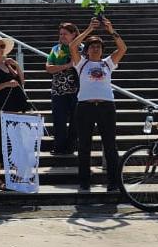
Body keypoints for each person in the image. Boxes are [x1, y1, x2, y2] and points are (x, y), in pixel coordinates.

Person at [70, 18, 127, 192]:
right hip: (85, 107)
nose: (96, 48)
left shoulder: (108, 63)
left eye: (99, 46)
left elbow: (123, 48)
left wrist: (111, 30)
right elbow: (72, 46)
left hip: (106, 107)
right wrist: (88, 30)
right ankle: (85, 181)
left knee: (110, 145)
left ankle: (113, 182)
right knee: (84, 145)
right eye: (92, 46)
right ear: (87, 50)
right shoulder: (81, 63)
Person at [0, 34, 30, 191]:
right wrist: (6, 84)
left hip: (14, 109)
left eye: (2, 46)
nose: (0, 49)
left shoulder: (8, 64)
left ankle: (15, 176)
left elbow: (22, 82)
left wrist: (16, 65)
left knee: (14, 144)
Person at [46, 22, 80, 156]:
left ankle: (71, 146)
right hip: (58, 90)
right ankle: (59, 146)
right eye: (60, 34)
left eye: (65, 34)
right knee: (58, 119)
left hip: (77, 91)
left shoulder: (81, 49)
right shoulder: (56, 49)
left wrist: (59, 68)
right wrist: (67, 65)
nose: (62, 36)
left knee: (75, 121)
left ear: (74, 34)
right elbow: (49, 68)